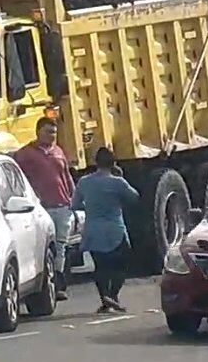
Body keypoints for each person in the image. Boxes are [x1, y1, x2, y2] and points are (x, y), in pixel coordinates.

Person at [13, 117, 75, 300]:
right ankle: (46, 285)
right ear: (38, 131)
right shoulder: (25, 154)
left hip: (62, 205)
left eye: (54, 132)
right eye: (48, 132)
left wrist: (73, 197)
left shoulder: (58, 151)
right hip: (41, 208)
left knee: (61, 245)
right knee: (44, 247)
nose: (52, 136)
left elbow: (66, 175)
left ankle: (59, 284)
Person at [72, 147, 141, 313]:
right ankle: (113, 295)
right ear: (113, 163)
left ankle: (105, 298)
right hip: (114, 229)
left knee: (100, 266)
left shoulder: (84, 182)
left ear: (96, 162)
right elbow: (135, 198)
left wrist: (90, 207)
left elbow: (75, 204)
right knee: (121, 264)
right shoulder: (118, 182)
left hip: (92, 230)